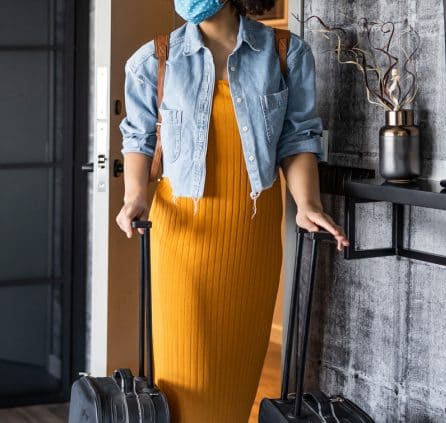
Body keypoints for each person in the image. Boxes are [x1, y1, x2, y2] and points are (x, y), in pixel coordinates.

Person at [115, 0, 350, 420]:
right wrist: (135, 196)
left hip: (251, 238)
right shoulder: (153, 59)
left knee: (236, 377)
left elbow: (298, 140)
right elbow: (138, 138)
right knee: (182, 378)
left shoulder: (285, 53)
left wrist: (308, 204)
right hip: (182, 239)